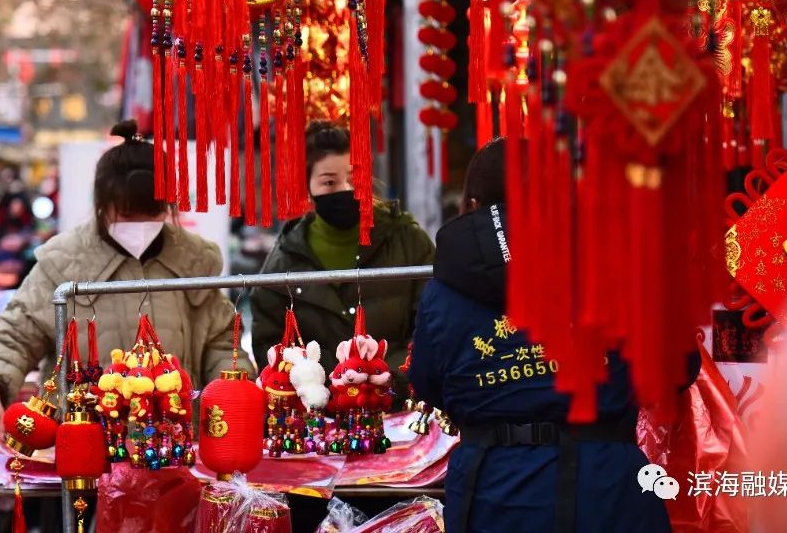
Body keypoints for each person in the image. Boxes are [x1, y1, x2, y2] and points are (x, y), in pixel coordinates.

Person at [409, 138, 686, 533]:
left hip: (493, 491)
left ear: (472, 205)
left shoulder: (445, 289)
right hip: (605, 488)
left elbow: (427, 380)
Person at [0, 120, 247, 455]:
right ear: (102, 205)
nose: (140, 224)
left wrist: (234, 393)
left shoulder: (194, 263)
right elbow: (13, 335)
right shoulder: (63, 262)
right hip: (81, 450)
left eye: (154, 211)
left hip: (174, 449)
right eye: (128, 214)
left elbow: (221, 343)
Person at [249, 120, 434, 394]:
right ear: (307, 187)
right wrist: (323, 380)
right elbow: (271, 345)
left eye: (353, 177)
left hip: (399, 404)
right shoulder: (284, 261)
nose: (345, 189)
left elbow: (433, 326)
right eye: (329, 182)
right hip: (318, 415)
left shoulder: (407, 241)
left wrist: (386, 375)